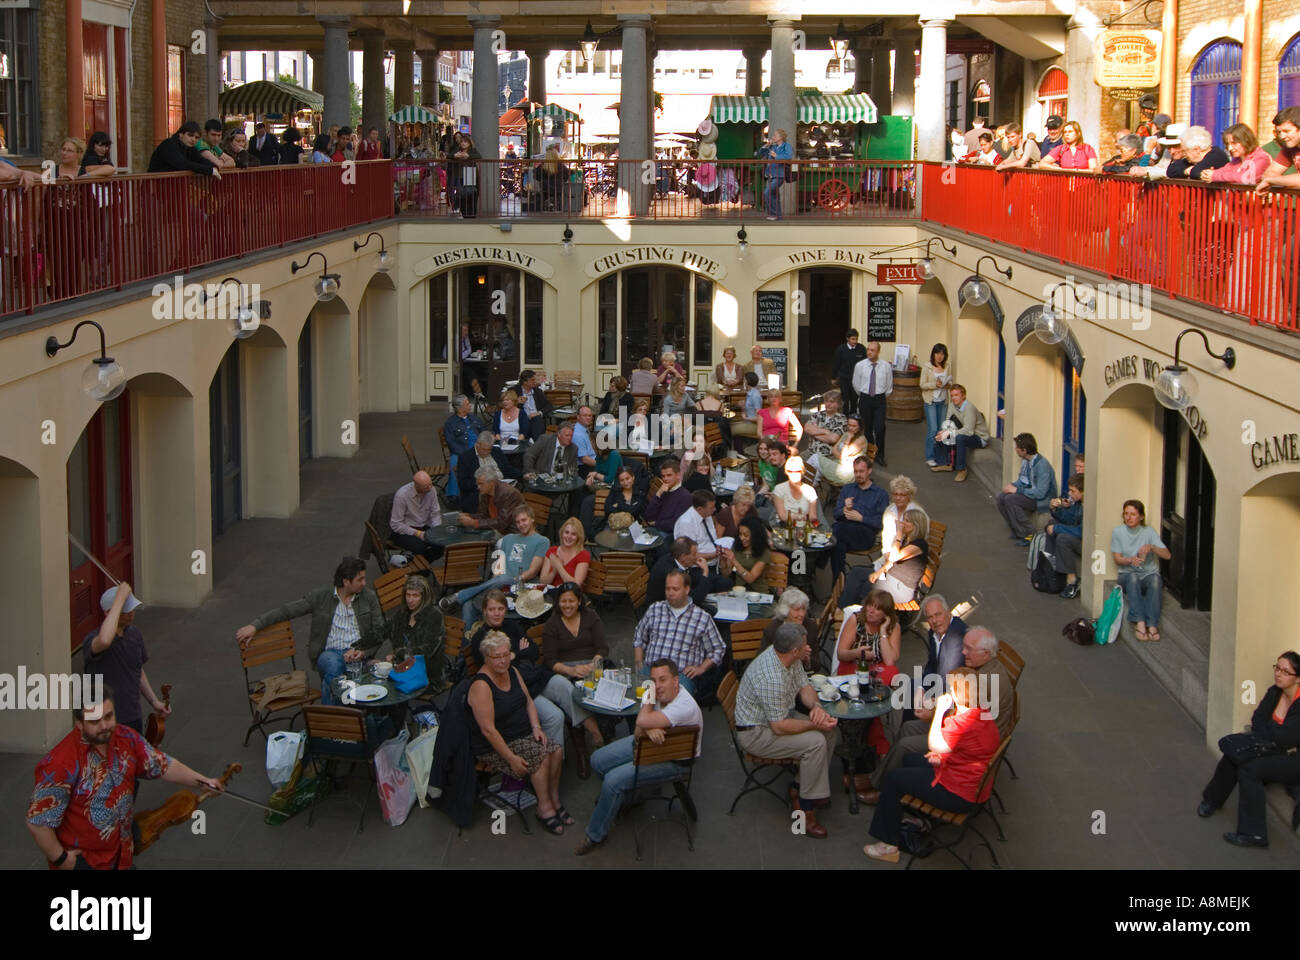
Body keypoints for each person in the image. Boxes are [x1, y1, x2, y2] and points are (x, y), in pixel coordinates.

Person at [26, 685, 224, 870]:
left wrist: (204, 781)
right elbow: (38, 823)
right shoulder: (61, 763)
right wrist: (62, 859)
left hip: (121, 853)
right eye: (95, 721)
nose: (104, 726)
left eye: (109, 716)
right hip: (86, 862)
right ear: (79, 724)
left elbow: (163, 765)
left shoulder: (127, 738)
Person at [864, 667, 1000, 863]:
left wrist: (939, 712)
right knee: (909, 759)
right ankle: (906, 814)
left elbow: (934, 744)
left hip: (958, 794)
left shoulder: (960, 724)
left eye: (951, 689)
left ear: (958, 695)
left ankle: (888, 845)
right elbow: (961, 750)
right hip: (970, 781)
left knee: (894, 780)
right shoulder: (982, 712)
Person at [863, 625, 1009, 803]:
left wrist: (933, 715)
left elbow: (965, 723)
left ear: (986, 653)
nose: (963, 652)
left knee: (905, 745)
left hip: (969, 747)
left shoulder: (986, 683)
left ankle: (884, 789)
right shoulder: (987, 667)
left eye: (969, 649)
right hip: (970, 733)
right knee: (909, 727)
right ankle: (882, 777)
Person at [575, 657, 703, 855]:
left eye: (663, 679)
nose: (657, 686)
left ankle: (595, 835)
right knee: (597, 760)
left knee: (612, 781)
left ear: (676, 681)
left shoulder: (683, 706)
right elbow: (637, 731)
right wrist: (649, 729)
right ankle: (624, 799)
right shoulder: (656, 691)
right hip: (651, 744)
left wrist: (647, 717)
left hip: (674, 760)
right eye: (653, 680)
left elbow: (642, 720)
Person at [734, 622, 839, 837]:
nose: (807, 648)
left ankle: (799, 786)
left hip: (778, 718)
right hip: (756, 733)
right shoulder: (771, 677)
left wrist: (817, 708)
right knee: (816, 742)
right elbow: (780, 727)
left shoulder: (789, 658)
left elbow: (805, 687)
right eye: (804, 645)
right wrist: (814, 724)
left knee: (830, 732)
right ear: (794, 650)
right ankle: (805, 808)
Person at [235, 557, 385, 705]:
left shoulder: (368, 597)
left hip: (358, 653)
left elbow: (379, 632)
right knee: (334, 666)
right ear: (346, 581)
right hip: (330, 653)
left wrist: (363, 652)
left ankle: (331, 720)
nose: (364, 583)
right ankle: (336, 718)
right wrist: (255, 625)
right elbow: (287, 610)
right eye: (360, 579)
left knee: (340, 678)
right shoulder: (321, 597)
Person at [468, 632, 568, 834]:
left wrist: (536, 728)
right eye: (497, 657)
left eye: (506, 654)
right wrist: (511, 759)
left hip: (522, 732)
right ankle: (545, 807)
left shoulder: (511, 671)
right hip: (497, 743)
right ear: (487, 658)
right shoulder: (481, 685)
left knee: (556, 751)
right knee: (541, 756)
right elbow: (488, 731)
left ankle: (553, 798)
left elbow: (528, 701)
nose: (503, 660)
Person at [1198, 652, 1300, 848]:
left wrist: (1270, 732)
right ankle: (1212, 800)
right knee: (1235, 754)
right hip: (1273, 748)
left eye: (1285, 671)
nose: (1278, 674)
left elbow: (1287, 739)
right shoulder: (1275, 692)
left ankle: (1254, 835)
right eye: (1277, 668)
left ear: (1297, 678)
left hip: (1294, 759)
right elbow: (1257, 720)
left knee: (1249, 769)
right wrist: (1273, 732)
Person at [541, 582, 610, 775]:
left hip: (591, 665)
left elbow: (602, 648)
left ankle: (604, 737)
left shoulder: (591, 617)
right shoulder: (552, 625)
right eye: (563, 601)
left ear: (579, 601)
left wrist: (594, 663)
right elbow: (550, 661)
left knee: (604, 687)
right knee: (571, 694)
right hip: (565, 669)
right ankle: (586, 749)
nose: (567, 605)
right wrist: (571, 671)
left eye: (571, 600)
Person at [81, 584, 167, 736]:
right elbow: (105, 641)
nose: (132, 613)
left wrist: (153, 701)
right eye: (126, 610)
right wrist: (120, 598)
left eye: (132, 608)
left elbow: (137, 670)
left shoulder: (134, 634)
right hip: (102, 720)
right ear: (109, 612)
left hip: (132, 715)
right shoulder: (92, 640)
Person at [442, 504, 549, 623]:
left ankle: (460, 595)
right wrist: (496, 580)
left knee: (502, 579)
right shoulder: (509, 538)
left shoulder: (542, 541)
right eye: (518, 522)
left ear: (532, 518)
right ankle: (468, 639)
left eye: (524, 520)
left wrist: (512, 579)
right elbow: (499, 566)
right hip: (499, 582)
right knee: (469, 604)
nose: (521, 525)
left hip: (520, 582)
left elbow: (532, 571)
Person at [633, 569, 726, 695]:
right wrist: (639, 662)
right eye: (667, 589)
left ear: (687, 590)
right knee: (640, 700)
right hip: (651, 669)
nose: (670, 593)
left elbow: (718, 648)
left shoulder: (701, 617)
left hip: (680, 675)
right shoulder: (655, 609)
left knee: (673, 708)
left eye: (675, 589)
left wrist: (701, 668)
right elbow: (639, 634)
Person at [1110, 499, 1171, 642]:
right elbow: (1117, 559)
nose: (1129, 517)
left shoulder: (1148, 532)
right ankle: (1140, 621)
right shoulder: (1118, 532)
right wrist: (1130, 560)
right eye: (1126, 514)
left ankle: (1153, 624)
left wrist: (1153, 548)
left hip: (1147, 574)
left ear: (1141, 516)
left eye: (1133, 514)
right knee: (1132, 577)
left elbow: (1167, 555)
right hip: (1126, 575)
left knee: (1156, 580)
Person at [831, 456, 888, 578]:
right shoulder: (847, 489)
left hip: (865, 535)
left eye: (861, 471)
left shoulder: (880, 494)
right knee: (837, 547)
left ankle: (816, 562)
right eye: (856, 471)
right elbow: (836, 514)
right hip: (845, 531)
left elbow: (882, 523)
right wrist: (844, 510)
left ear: (869, 471)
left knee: (834, 530)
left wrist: (861, 518)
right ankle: (838, 585)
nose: (858, 475)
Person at [996, 432, 1056, 543]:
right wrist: (1013, 486)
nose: (1015, 449)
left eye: (1017, 448)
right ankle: (1016, 530)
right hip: (1030, 492)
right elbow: (1023, 480)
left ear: (1024, 450)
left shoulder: (1042, 466)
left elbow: (1040, 493)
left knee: (1010, 500)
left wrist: (1018, 490)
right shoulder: (1026, 461)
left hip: (1042, 500)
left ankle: (1029, 532)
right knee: (1001, 498)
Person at [385, 576, 446, 686]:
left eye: (415, 595)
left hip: (427, 674)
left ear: (424, 597)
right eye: (408, 595)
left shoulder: (434, 616)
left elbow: (428, 650)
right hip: (403, 668)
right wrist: (359, 647)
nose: (410, 600)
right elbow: (383, 630)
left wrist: (398, 655)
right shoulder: (402, 614)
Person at [869, 508, 930, 605]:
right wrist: (879, 572)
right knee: (857, 572)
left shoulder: (920, 544)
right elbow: (890, 560)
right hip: (890, 579)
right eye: (903, 519)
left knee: (866, 585)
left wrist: (898, 534)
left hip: (901, 588)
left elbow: (893, 557)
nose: (903, 523)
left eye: (907, 521)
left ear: (916, 525)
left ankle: (861, 615)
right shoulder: (906, 539)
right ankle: (842, 612)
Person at [931, 383, 989, 482]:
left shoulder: (969, 408)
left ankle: (962, 470)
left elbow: (968, 431)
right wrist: (943, 432)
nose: (953, 398)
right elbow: (948, 422)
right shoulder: (952, 405)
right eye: (952, 395)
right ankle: (946, 463)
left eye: (956, 395)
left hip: (979, 437)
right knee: (940, 432)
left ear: (963, 396)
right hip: (965, 431)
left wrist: (949, 433)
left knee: (959, 438)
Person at [835, 589, 901, 676]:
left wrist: (883, 631)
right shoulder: (855, 620)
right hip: (854, 666)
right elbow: (841, 654)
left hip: (878, 669)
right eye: (869, 605)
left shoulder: (894, 627)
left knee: (892, 671)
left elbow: (889, 662)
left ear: (885, 614)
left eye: (877, 609)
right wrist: (856, 653)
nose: (871, 611)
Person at [648, 536, 730, 604]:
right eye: (694, 554)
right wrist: (705, 572)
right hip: (664, 609)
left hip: (677, 601)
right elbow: (695, 600)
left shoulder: (674, 558)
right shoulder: (671, 573)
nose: (697, 557)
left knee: (722, 582)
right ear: (683, 557)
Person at [852, 340, 893, 467]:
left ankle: (880, 455)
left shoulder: (886, 366)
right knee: (867, 428)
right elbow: (856, 384)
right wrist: (864, 395)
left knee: (880, 428)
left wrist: (880, 395)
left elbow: (889, 385)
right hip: (865, 399)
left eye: (872, 350)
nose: (869, 352)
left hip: (880, 399)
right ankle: (870, 453)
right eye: (868, 349)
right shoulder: (860, 365)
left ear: (878, 352)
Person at [389, 469, 444, 562]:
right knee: (420, 548)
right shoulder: (402, 495)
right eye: (426, 487)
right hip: (404, 530)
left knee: (441, 544)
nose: (430, 488)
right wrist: (417, 533)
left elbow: (435, 513)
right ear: (416, 486)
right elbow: (396, 524)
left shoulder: (431, 490)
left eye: (431, 484)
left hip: (422, 525)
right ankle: (421, 568)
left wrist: (437, 529)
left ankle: (422, 565)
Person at [1044, 473, 1085, 599]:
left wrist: (1057, 528)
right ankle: (1050, 566)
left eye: (1073, 491)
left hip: (1085, 541)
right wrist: (1055, 508)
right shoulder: (1077, 503)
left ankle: (1072, 580)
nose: (1070, 494)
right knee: (1051, 525)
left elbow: (1081, 531)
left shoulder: (1088, 506)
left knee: (1062, 538)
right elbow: (1069, 519)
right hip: (1077, 534)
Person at [457, 431, 515, 513]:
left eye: (489, 450)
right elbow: (463, 483)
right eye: (484, 450)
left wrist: (523, 475)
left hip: (502, 488)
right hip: (480, 493)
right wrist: (483, 485)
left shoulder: (496, 451)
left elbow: (508, 468)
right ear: (477, 445)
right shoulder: (465, 458)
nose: (487, 452)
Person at [1202, 123, 1271, 185]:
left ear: (1246, 140)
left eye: (1234, 143)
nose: (1230, 148)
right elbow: (1223, 170)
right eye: (1227, 144)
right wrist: (1208, 174)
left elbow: (1247, 178)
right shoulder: (1237, 160)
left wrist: (1214, 176)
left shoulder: (1262, 157)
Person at [148, 121, 220, 177]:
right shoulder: (169, 144)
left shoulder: (190, 148)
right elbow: (183, 164)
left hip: (172, 187)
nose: (193, 139)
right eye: (190, 135)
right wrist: (210, 170)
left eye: (196, 137)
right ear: (181, 134)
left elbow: (200, 159)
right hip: (155, 187)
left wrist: (214, 167)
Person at [920, 344, 952, 467]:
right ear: (933, 354)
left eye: (942, 354)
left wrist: (947, 384)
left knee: (941, 430)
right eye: (937, 353)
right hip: (931, 401)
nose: (940, 356)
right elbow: (922, 384)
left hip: (943, 401)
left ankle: (940, 456)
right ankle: (930, 456)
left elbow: (950, 382)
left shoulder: (947, 366)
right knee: (932, 429)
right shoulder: (927, 366)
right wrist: (935, 384)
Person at [645, 457, 693, 537]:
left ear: (678, 475)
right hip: (656, 529)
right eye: (663, 476)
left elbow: (676, 523)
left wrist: (656, 523)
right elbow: (648, 515)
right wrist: (658, 494)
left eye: (669, 475)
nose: (665, 479)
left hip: (670, 535)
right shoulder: (664, 491)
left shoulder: (685, 496)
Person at [1255, 106, 1300, 193]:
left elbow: (1269, 179)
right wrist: (1270, 180)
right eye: (1279, 132)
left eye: (1286, 131)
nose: (1282, 136)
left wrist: (1271, 181)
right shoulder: (1289, 147)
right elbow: (1270, 173)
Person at [803, 390, 847, 475]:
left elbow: (833, 439)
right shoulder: (817, 415)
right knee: (794, 463)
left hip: (827, 455)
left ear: (838, 404)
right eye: (826, 401)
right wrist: (825, 431)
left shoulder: (841, 419)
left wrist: (815, 431)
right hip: (810, 451)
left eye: (831, 402)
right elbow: (807, 428)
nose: (828, 404)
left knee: (808, 473)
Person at [724, 515, 772, 589]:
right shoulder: (736, 547)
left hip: (758, 592)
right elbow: (726, 574)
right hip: (739, 591)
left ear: (755, 536)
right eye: (740, 534)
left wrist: (734, 561)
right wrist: (722, 560)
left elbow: (750, 579)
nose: (742, 538)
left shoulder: (764, 552)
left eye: (746, 535)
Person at [544, 517, 591, 588]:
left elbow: (575, 586)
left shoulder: (583, 555)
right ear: (562, 533)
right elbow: (543, 582)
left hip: (570, 596)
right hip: (551, 593)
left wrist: (558, 566)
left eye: (573, 534)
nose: (569, 536)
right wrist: (554, 571)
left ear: (578, 537)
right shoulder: (552, 551)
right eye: (566, 532)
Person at [757, 127, 793, 220]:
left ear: (780, 137)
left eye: (775, 135)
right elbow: (760, 153)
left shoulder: (786, 145)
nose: (773, 137)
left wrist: (776, 156)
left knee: (767, 192)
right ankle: (778, 215)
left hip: (779, 174)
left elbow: (788, 156)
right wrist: (766, 145)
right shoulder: (773, 146)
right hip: (770, 174)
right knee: (774, 195)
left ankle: (773, 214)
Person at [772, 455, 819, 525]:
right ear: (786, 472)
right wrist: (800, 517)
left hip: (806, 527)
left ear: (802, 472)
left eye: (797, 471)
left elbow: (813, 516)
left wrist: (796, 517)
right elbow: (782, 516)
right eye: (790, 471)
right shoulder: (779, 489)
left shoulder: (810, 490)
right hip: (786, 526)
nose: (794, 474)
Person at [832, 329, 868, 409]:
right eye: (852, 339)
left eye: (856, 339)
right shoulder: (841, 349)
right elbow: (836, 364)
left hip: (856, 379)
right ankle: (845, 417)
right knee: (845, 399)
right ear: (847, 339)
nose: (855, 341)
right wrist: (833, 377)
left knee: (854, 400)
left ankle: (853, 418)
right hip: (844, 379)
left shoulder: (861, 348)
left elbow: (865, 363)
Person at [517, 369, 553, 439]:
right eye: (532, 380)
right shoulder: (515, 391)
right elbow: (502, 404)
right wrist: (516, 402)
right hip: (521, 419)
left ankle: (537, 445)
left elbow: (549, 405)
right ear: (525, 382)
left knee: (537, 420)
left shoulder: (537, 391)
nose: (535, 382)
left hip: (536, 418)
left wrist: (539, 413)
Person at [731, 371, 765, 443]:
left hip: (754, 426)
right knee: (729, 425)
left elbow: (758, 418)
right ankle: (738, 451)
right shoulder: (750, 393)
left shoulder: (755, 396)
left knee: (730, 429)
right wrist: (743, 407)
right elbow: (748, 411)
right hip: (748, 423)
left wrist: (746, 418)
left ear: (746, 381)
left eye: (744, 380)